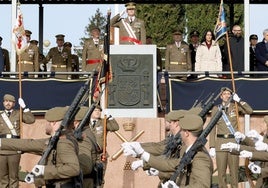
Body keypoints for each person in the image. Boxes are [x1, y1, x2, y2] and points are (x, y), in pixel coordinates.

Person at [123, 114, 213, 188]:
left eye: (181, 130)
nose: (179, 132)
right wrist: (143, 154)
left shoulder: (200, 156)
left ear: (186, 133)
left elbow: (202, 185)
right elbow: (172, 165)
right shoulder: (190, 150)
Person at [0, 106, 80, 187]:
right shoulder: (56, 140)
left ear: (54, 123)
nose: (45, 125)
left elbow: (73, 168)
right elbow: (28, 144)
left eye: (47, 122)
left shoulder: (63, 142)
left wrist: (43, 170)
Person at [209, 87, 253, 188]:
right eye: (224, 94)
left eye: (229, 94)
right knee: (221, 173)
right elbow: (212, 127)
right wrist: (212, 146)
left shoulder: (235, 107)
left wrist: (239, 100)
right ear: (221, 96)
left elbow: (249, 111)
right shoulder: (216, 109)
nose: (227, 96)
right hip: (220, 143)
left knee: (234, 172)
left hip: (233, 142)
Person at [0, 94, 35, 188]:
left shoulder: (18, 113)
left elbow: (31, 120)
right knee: (2, 177)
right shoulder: (0, 115)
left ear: (14, 103)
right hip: (2, 148)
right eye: (6, 101)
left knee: (13, 176)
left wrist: (25, 107)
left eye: (10, 101)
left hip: (14, 148)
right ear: (3, 103)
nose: (8, 103)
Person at [89, 105, 119, 187]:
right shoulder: (85, 123)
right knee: (88, 177)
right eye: (95, 110)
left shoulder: (103, 122)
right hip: (88, 154)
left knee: (100, 177)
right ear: (90, 112)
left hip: (100, 154)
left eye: (99, 111)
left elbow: (115, 127)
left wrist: (110, 117)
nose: (98, 112)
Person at [73, 106, 98, 188]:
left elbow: (85, 167)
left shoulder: (82, 137)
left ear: (76, 122)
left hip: (82, 182)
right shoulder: (86, 132)